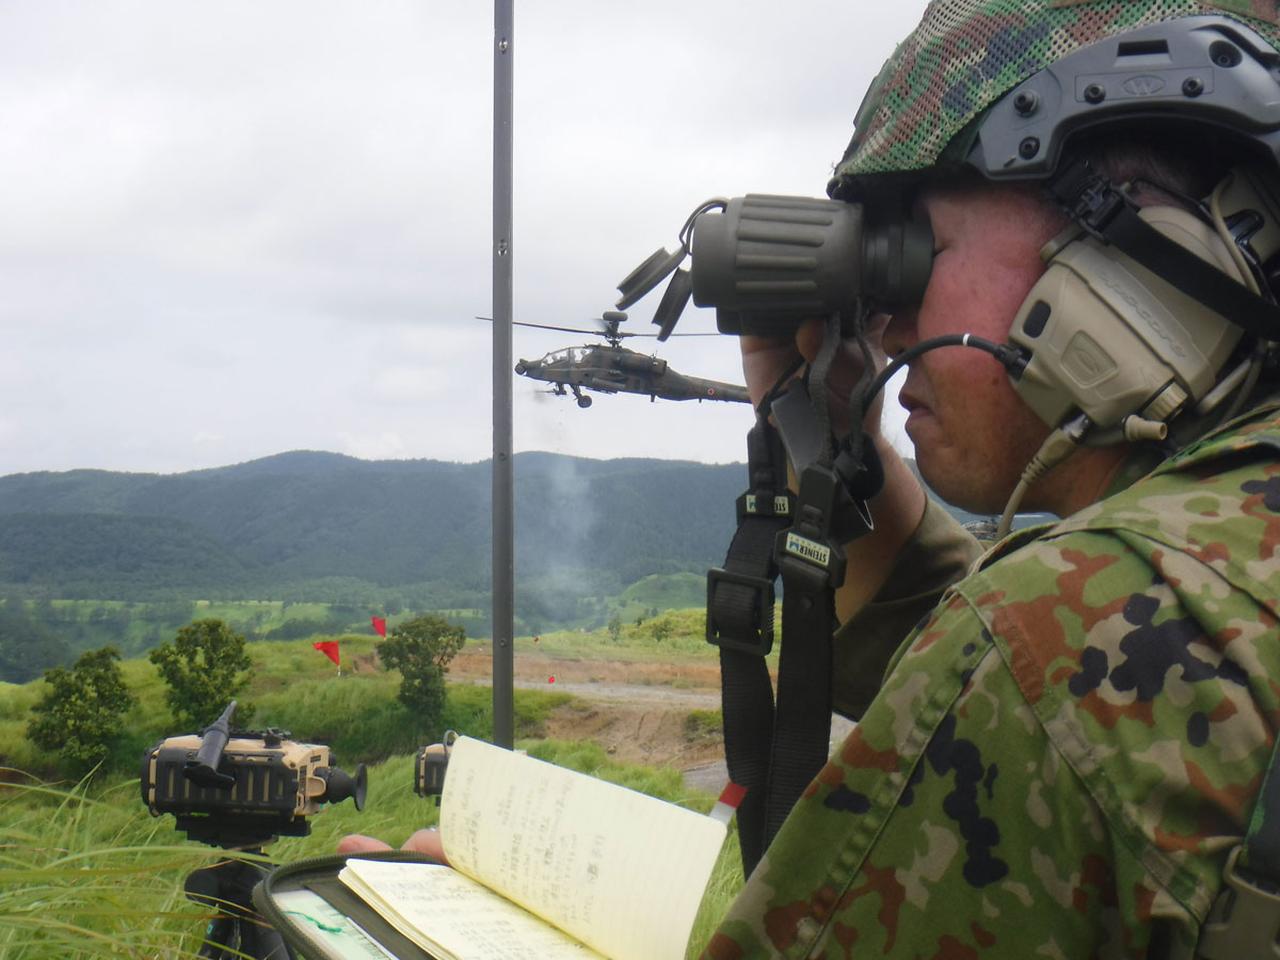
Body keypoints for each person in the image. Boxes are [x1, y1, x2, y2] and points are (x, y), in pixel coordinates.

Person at [345, 2, 1280, 955]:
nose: (887, 327)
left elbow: (1037, 674)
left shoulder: (1062, 636)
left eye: (919, 251)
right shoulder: (1199, 575)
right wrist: (827, 449)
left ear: (1135, 249)